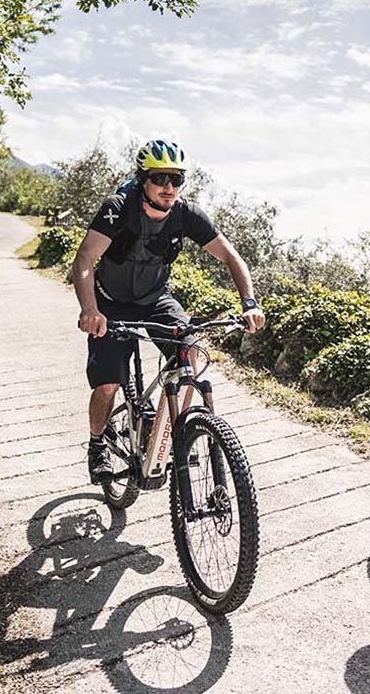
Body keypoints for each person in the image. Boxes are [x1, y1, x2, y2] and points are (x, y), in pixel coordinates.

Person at [71, 139, 266, 482]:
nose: (169, 187)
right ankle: (97, 443)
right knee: (108, 384)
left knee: (189, 354)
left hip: (155, 298)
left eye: (177, 179)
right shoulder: (119, 208)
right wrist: (90, 309)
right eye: (161, 178)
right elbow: (85, 257)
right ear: (143, 179)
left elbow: (231, 256)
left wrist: (249, 303)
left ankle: (171, 435)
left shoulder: (185, 215)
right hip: (110, 302)